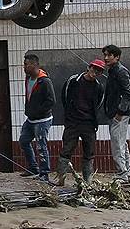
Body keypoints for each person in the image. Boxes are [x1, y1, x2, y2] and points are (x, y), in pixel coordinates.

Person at [55, 59, 106, 186]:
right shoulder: (74, 80)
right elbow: (64, 96)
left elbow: (99, 103)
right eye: (94, 69)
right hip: (73, 121)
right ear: (88, 68)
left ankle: (87, 180)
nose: (95, 72)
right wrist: (69, 115)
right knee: (67, 149)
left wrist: (92, 118)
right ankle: (60, 178)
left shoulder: (98, 87)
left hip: (89, 123)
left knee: (89, 151)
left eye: (99, 71)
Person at [19, 53, 56, 182]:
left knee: (41, 145)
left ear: (34, 65)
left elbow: (51, 101)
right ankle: (33, 167)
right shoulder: (28, 78)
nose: (24, 67)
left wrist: (37, 111)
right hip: (31, 118)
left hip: (42, 119)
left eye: (26, 65)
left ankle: (44, 173)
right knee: (24, 140)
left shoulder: (45, 81)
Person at [102, 44, 130, 182]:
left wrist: (120, 112)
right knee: (121, 142)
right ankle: (126, 172)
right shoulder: (113, 71)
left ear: (117, 57)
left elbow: (128, 94)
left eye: (109, 55)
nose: (106, 58)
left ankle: (122, 173)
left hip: (120, 113)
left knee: (117, 143)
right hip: (115, 112)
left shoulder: (120, 72)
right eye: (105, 55)